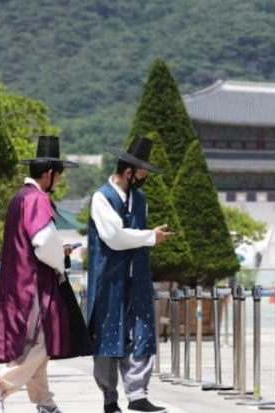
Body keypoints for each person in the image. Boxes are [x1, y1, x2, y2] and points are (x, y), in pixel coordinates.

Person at [0, 135, 92, 413]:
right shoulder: (38, 199)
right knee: (43, 341)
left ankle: (44, 403)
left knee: (34, 344)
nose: (59, 182)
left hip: (17, 283)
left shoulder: (19, 198)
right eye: (59, 177)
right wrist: (59, 257)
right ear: (50, 174)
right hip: (34, 285)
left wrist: (54, 250)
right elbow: (43, 244)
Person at [87, 134, 174, 413]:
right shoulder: (102, 197)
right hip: (109, 279)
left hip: (137, 277)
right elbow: (115, 237)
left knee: (141, 332)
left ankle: (137, 395)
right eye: (142, 171)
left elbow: (131, 234)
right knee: (107, 335)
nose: (145, 176)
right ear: (129, 172)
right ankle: (109, 398)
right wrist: (151, 236)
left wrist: (148, 237)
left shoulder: (140, 198)